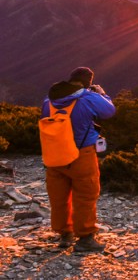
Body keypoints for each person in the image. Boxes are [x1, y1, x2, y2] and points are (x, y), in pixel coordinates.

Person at [41, 67, 116, 252]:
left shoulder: (49, 100)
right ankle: (85, 237)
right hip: (81, 154)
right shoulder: (87, 98)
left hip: (55, 155)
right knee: (85, 195)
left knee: (58, 197)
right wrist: (102, 94)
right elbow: (109, 111)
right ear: (88, 82)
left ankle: (64, 234)